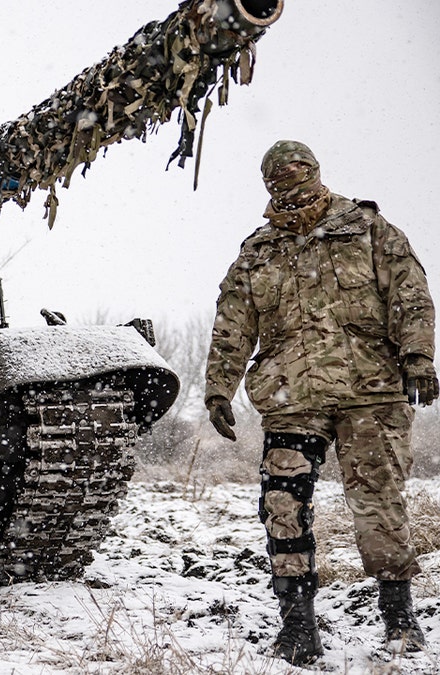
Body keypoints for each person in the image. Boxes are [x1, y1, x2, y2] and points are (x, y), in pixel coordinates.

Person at [204, 140, 436, 665]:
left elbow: (410, 294)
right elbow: (232, 324)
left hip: (370, 390)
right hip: (293, 395)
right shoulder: (257, 252)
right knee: (282, 501)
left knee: (377, 501)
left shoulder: (369, 229)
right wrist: (219, 385)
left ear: (315, 170)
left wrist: (419, 357)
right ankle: (297, 623)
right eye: (279, 174)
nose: (290, 179)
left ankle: (399, 616)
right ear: (268, 184)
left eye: (298, 169)